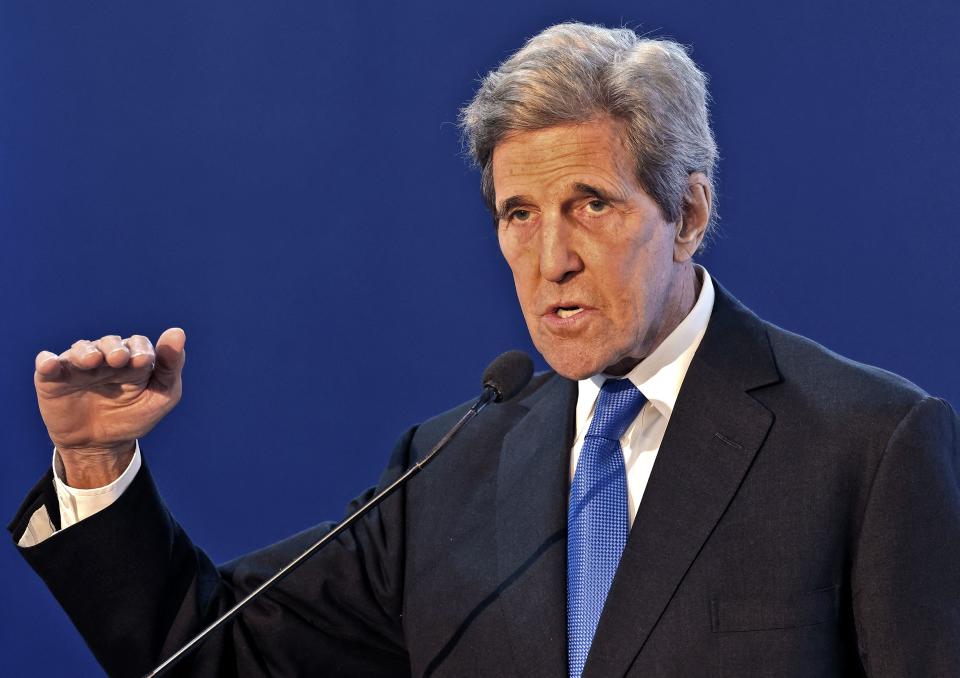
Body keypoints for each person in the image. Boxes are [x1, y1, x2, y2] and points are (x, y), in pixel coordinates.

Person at [10, 22, 960, 678]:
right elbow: (204, 654)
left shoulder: (868, 446)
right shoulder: (450, 468)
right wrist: (96, 463)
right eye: (518, 213)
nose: (552, 260)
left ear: (689, 213)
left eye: (592, 203)